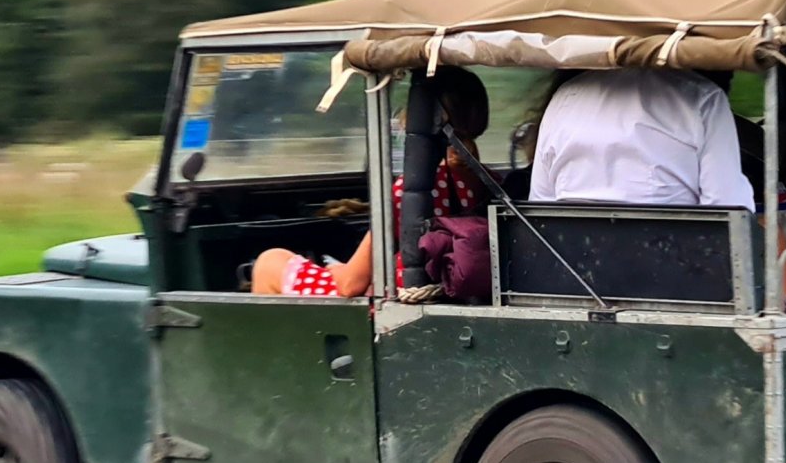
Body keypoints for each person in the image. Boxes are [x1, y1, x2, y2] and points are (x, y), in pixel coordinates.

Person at [252, 67, 490, 298]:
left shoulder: (414, 191)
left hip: (392, 299)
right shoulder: (488, 183)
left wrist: (338, 271)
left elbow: (350, 285)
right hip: (448, 291)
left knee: (269, 262)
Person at [529, 68, 754, 209]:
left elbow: (540, 204)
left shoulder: (565, 96)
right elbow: (728, 208)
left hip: (571, 269)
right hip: (674, 268)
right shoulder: (703, 97)